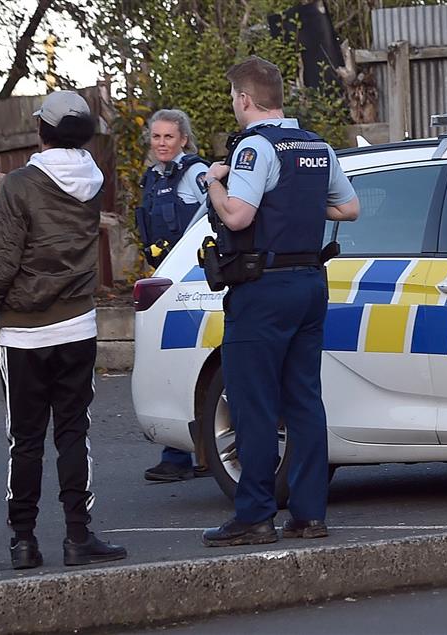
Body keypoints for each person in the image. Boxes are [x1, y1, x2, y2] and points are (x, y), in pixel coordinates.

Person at [198, 57, 360, 547]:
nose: (234, 105)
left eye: (233, 98)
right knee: (305, 399)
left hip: (263, 289)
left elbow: (240, 217)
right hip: (311, 283)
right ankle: (310, 515)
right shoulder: (316, 146)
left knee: (254, 402)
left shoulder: (254, 147)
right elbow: (348, 208)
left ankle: (255, 515)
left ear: (245, 99)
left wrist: (213, 181)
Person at [0, 90, 128, 570]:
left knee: (26, 438)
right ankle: (79, 536)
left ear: (43, 131)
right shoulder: (92, 178)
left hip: (24, 334)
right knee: (74, 433)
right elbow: (54, 186)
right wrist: (15, 184)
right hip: (76, 325)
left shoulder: (22, 184)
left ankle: (23, 540)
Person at [136, 108, 213, 483]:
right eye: (156, 137)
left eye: (169, 137)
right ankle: (189, 454)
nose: (162, 143)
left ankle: (180, 456)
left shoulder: (197, 174)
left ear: (184, 139)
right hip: (164, 279)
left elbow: (213, 215)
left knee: (184, 360)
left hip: (193, 280)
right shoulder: (152, 178)